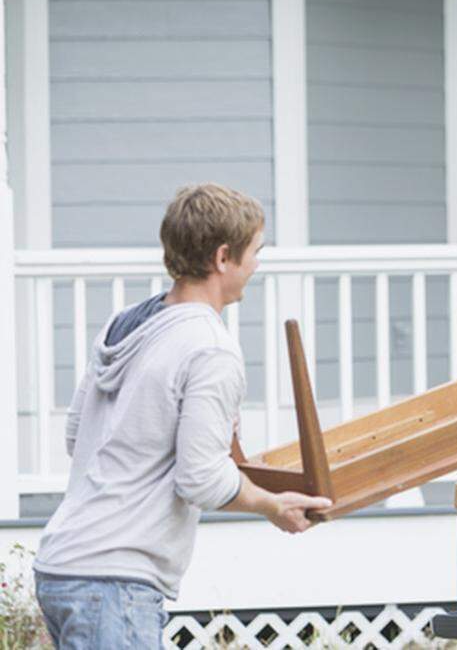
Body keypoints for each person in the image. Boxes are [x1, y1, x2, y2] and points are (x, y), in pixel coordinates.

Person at [34, 184, 331, 648]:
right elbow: (200, 479)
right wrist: (272, 505)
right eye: (255, 251)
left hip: (63, 565)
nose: (256, 265)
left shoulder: (124, 324)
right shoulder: (210, 348)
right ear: (222, 257)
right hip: (115, 579)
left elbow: (78, 436)